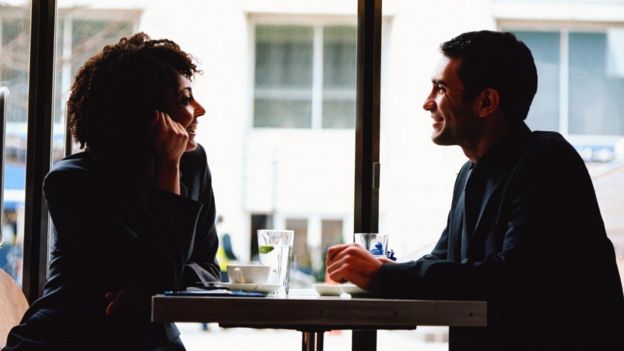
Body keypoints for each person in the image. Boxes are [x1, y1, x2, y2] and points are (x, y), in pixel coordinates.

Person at [326, 30, 624, 350]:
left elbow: (510, 277)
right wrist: (378, 270)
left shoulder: (547, 161)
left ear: (486, 102)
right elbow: (446, 261)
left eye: (440, 89)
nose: (427, 102)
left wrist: (384, 277)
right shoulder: (469, 175)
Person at [4, 33, 220, 351]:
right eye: (185, 98)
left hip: (151, 342)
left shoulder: (193, 163)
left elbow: (207, 271)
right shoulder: (70, 182)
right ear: (147, 112)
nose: (199, 109)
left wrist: (151, 288)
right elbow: (160, 277)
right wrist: (168, 170)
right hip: (64, 339)